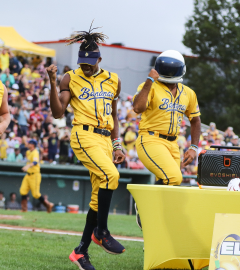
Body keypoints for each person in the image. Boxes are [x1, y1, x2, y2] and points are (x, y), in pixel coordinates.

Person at [47, 24, 126, 270]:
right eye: (82, 61)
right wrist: (52, 82)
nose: (86, 65)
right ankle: (101, 232)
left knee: (96, 197)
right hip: (84, 135)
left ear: (99, 59)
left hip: (105, 140)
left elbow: (114, 116)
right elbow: (58, 112)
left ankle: (80, 251)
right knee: (111, 175)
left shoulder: (114, 80)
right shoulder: (71, 77)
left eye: (90, 61)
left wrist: (117, 144)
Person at [133, 50, 201, 224]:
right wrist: (149, 81)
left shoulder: (188, 93)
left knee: (170, 184)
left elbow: (195, 120)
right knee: (174, 178)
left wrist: (193, 147)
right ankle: (145, 207)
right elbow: (138, 108)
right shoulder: (148, 86)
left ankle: (151, 220)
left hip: (173, 143)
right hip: (150, 139)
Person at [19, 139, 54, 212]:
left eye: (29, 143)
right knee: (23, 191)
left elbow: (35, 162)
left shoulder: (35, 152)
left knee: (35, 194)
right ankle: (24, 209)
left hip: (35, 175)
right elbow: (28, 158)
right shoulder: (28, 151)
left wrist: (27, 166)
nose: (28, 144)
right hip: (28, 175)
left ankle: (48, 205)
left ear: (33, 145)